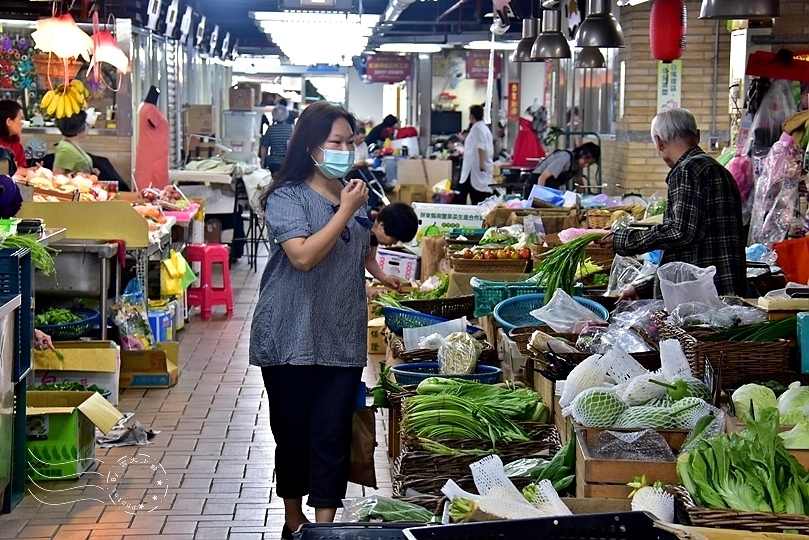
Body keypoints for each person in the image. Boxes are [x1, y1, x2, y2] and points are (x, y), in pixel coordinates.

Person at [249, 101, 371, 538]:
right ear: (311, 146)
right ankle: (292, 517)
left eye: (351, 142)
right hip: (288, 333)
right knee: (293, 434)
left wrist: (384, 274)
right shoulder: (287, 197)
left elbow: (358, 246)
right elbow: (302, 256)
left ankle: (323, 528)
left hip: (341, 332)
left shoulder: (356, 194)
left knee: (331, 434)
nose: (345, 150)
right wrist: (344, 210)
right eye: (336, 142)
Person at [597, 108, 746, 298]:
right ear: (697, 135)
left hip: (706, 298)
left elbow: (681, 232)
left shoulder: (686, 170)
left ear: (659, 142)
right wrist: (642, 289)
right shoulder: (716, 168)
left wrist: (625, 239)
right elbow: (691, 251)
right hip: (722, 289)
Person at [522, 141, 600, 196]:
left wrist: (584, 199)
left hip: (550, 189)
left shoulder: (578, 165)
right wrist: (540, 197)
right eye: (586, 161)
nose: (586, 165)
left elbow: (579, 183)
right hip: (536, 186)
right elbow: (542, 177)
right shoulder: (564, 158)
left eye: (589, 164)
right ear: (581, 153)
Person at [456, 104, 493, 205]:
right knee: (469, 192)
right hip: (473, 168)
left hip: (475, 168)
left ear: (472, 116)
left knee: (473, 194)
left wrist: (481, 163)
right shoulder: (483, 128)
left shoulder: (478, 129)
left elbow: (480, 146)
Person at [53, 110, 98, 175]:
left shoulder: (70, 146)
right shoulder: (65, 150)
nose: (88, 125)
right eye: (85, 122)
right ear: (79, 127)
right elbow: (57, 177)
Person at [259, 104, 294, 173]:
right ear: (286, 116)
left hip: (273, 162)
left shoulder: (271, 129)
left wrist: (263, 161)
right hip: (288, 162)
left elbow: (264, 146)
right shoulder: (291, 129)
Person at [0, 100, 28, 172]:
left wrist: (33, 171)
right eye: (20, 119)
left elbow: (22, 168)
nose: (22, 123)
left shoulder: (16, 143)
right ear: (9, 121)